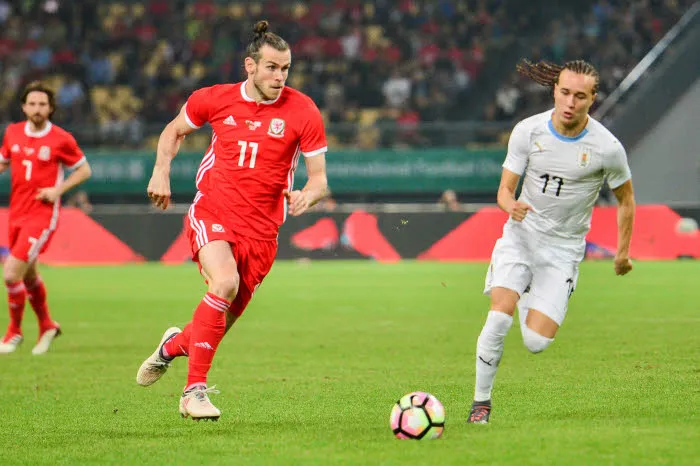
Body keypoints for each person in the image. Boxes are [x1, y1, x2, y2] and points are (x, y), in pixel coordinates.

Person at [136, 20, 329, 421]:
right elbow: (173, 131)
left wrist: (307, 195)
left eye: (286, 68)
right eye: (272, 67)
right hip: (214, 210)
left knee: (216, 324)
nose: (279, 77)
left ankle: (172, 346)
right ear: (250, 66)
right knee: (224, 282)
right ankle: (193, 393)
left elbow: (319, 180)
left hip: (263, 232)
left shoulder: (303, 110)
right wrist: (160, 172)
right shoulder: (214, 98)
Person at [467, 59, 636, 424]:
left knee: (536, 343)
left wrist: (622, 254)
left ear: (592, 98)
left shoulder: (607, 147)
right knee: (498, 317)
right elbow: (504, 191)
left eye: (580, 96)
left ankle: (527, 289)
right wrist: (511, 206)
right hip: (521, 237)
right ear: (554, 91)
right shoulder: (528, 131)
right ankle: (481, 405)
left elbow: (626, 200)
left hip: (562, 251)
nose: (570, 102)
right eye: (564, 92)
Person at [0, 81, 92, 355]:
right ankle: (47, 325)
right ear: (24, 107)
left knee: (11, 273)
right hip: (16, 212)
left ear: (51, 108)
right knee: (29, 275)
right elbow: (4, 161)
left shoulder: (61, 138)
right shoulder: (13, 132)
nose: (37, 109)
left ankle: (14, 333)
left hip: (41, 215)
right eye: (32, 104)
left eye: (42, 104)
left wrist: (57, 190)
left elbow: (84, 170)